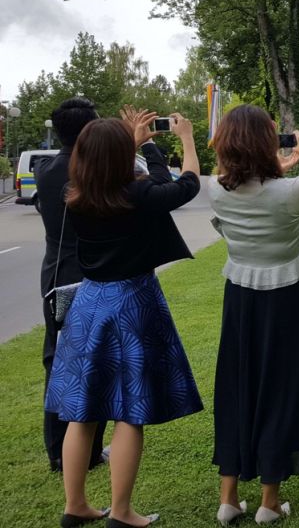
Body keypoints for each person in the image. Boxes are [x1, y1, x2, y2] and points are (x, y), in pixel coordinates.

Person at [46, 112, 203, 528]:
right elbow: (186, 184)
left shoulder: (74, 192)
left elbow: (107, 168)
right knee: (129, 412)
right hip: (132, 303)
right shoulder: (139, 193)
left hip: (89, 304)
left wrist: (131, 143)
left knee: (83, 412)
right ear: (122, 157)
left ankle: (75, 505)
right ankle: (121, 511)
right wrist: (185, 139)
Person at [208, 105, 299, 525]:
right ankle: (268, 501)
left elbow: (247, 198)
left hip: (241, 295)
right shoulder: (293, 190)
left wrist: (278, 168)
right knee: (281, 386)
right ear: (265, 142)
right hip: (287, 297)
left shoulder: (216, 189)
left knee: (238, 384)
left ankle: (228, 497)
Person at [35, 97, 107, 474]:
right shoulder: (88, 171)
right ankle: (84, 450)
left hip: (53, 272)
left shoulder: (46, 169)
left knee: (57, 359)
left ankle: (59, 451)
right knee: (90, 363)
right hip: (85, 274)